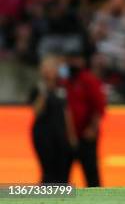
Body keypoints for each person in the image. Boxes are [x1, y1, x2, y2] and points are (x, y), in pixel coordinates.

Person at [62, 50, 106, 187]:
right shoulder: (65, 81)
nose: (72, 63)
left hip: (85, 136)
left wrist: (92, 129)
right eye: (70, 59)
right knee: (61, 176)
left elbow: (99, 107)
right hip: (67, 137)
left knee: (91, 175)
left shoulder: (88, 79)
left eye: (75, 59)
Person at [29, 54, 74, 183]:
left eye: (52, 67)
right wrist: (45, 89)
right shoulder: (38, 88)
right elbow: (37, 111)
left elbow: (67, 112)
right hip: (43, 135)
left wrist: (72, 138)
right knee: (48, 172)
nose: (49, 71)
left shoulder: (63, 87)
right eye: (46, 67)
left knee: (63, 173)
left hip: (61, 134)